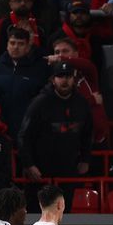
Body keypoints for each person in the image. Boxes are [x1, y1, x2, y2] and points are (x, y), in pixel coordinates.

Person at [19, 61, 92, 197]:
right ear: (53, 80)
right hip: (41, 170)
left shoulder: (81, 103)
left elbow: (87, 134)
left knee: (66, 210)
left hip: (69, 169)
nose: (65, 80)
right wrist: (29, 164)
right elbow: (24, 135)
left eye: (68, 76)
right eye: (60, 76)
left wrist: (85, 159)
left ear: (73, 79)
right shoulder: (39, 103)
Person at [0, 27, 49, 137]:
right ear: (7, 45)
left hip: (28, 131)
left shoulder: (40, 71)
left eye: (21, 44)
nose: (16, 47)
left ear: (28, 47)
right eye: (12, 43)